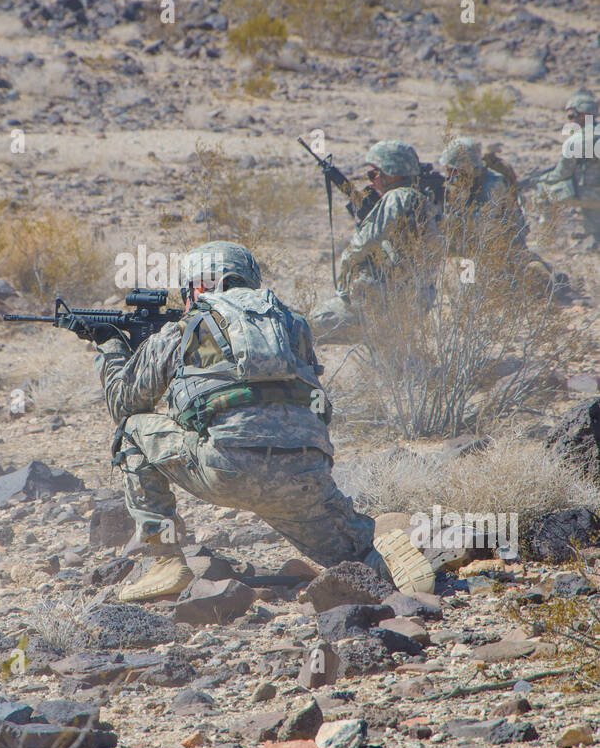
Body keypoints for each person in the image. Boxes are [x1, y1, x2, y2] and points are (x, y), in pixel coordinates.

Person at [93, 240, 430, 595]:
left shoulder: (183, 328)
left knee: (130, 432)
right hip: (304, 474)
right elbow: (314, 403)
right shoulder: (292, 325)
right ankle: (380, 557)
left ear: (201, 285)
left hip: (227, 469)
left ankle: (166, 561)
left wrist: (110, 347)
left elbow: (124, 404)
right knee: (356, 557)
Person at [310, 140, 437, 345]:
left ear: (391, 172)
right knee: (392, 353)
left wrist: (344, 282)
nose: (370, 182)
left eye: (373, 174)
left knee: (310, 324)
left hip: (383, 301)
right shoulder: (420, 199)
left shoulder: (396, 197)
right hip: (414, 297)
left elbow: (365, 242)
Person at [534, 89, 600, 249]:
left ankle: (547, 241)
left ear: (584, 115)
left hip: (591, 195)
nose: (569, 121)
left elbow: (562, 173)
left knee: (544, 192)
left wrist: (542, 178)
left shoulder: (578, 140)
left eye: (571, 116)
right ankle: (595, 238)